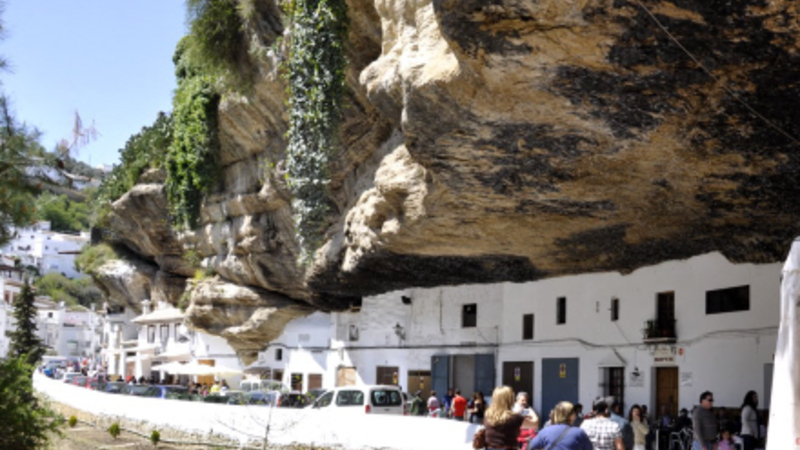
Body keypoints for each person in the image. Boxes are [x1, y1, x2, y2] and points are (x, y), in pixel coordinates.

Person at [484, 386, 538, 450]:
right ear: (509, 400)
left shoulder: (488, 415)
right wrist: (530, 409)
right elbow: (535, 424)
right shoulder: (514, 418)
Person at [527, 401, 592, 450]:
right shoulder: (579, 433)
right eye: (574, 413)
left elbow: (531, 446)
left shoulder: (545, 431)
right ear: (571, 416)